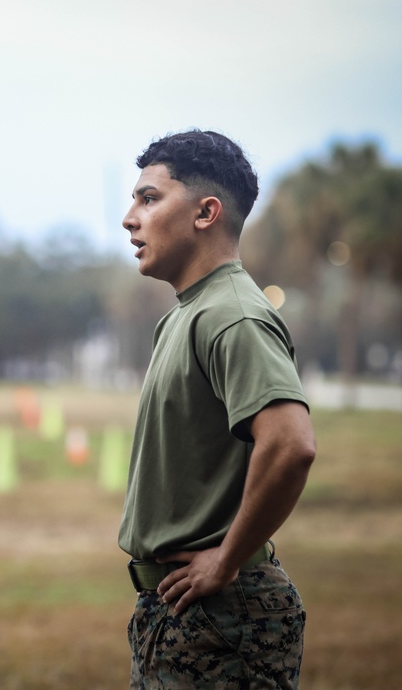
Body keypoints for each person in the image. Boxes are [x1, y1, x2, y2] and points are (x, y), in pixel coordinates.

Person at [118, 129, 316, 689]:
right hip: (186, 609)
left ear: (207, 212)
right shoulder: (189, 312)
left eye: (149, 198)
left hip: (224, 614)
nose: (130, 218)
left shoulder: (231, 314)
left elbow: (291, 443)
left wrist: (227, 558)